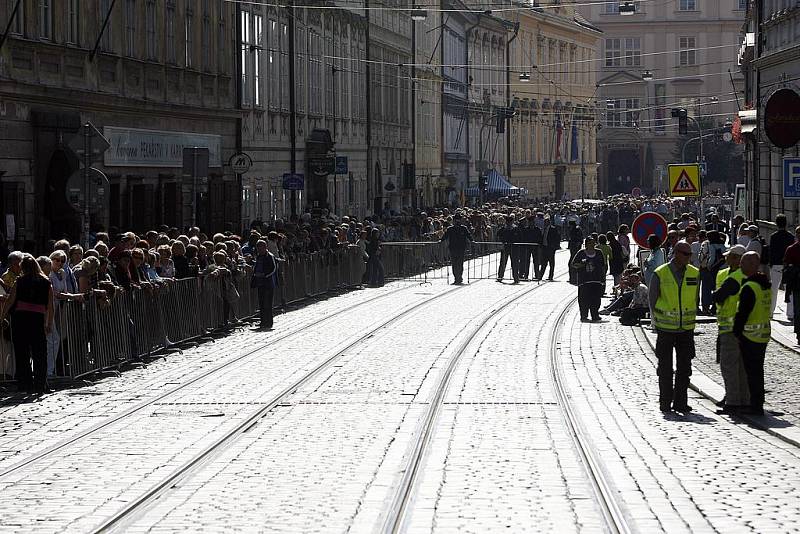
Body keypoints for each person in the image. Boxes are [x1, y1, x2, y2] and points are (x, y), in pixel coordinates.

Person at [648, 240, 699, 413]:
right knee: (665, 369)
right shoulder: (660, 273)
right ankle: (665, 402)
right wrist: (655, 322)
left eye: (690, 254)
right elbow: (652, 299)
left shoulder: (694, 273)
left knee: (685, 368)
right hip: (665, 329)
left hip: (686, 329)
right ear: (676, 253)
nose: (689, 257)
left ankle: (680, 402)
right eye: (686, 254)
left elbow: (695, 298)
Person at [1, 254, 54, 394]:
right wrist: (48, 323)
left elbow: (10, 301)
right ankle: (40, 384)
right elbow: (50, 305)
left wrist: (1, 317)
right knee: (39, 353)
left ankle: (25, 384)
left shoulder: (20, 281)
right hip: (38, 319)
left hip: (21, 319)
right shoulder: (46, 282)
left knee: (22, 353)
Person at [712, 244, 749, 414]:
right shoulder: (743, 275)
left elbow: (719, 296)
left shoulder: (736, 277)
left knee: (729, 365)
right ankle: (741, 399)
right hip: (741, 328)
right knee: (740, 366)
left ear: (736, 258)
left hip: (731, 328)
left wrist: (715, 295)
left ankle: (733, 402)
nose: (725, 258)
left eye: (729, 256)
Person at [733, 251, 772, 416]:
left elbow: (743, 313)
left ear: (751, 265)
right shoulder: (765, 284)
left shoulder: (750, 287)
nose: (740, 266)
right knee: (758, 371)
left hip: (750, 336)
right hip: (763, 334)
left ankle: (755, 405)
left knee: (752, 373)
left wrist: (737, 331)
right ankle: (758, 402)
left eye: (743, 263)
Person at [572, 236, 607, 322]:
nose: (592, 245)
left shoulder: (599, 252)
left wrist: (603, 277)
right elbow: (573, 264)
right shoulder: (581, 253)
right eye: (590, 243)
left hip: (596, 280)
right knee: (584, 299)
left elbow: (603, 265)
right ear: (586, 244)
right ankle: (584, 316)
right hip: (584, 280)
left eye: (593, 243)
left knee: (596, 299)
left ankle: (595, 315)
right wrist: (582, 264)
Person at [768, 214, 794, 316]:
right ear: (786, 223)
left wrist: (771, 264)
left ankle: (771, 312)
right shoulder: (791, 236)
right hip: (788, 265)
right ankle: (790, 313)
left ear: (776, 224)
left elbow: (772, 252)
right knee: (789, 289)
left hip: (776, 265)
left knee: (773, 290)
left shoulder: (773, 236)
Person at [251, 240, 278, 331]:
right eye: (258, 248)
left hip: (268, 283)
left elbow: (273, 268)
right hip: (260, 283)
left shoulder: (270, 256)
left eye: (261, 247)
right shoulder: (259, 257)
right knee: (262, 303)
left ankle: (269, 322)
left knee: (268, 303)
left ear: (265, 247)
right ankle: (263, 321)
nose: (260, 249)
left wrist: (264, 275)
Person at [440, 213, 473, 285]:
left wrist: (472, 241)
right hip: (452, 248)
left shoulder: (463, 228)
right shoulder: (450, 229)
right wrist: (441, 240)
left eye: (458, 220)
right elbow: (445, 236)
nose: (457, 222)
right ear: (454, 221)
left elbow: (468, 235)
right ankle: (456, 278)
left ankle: (459, 277)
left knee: (460, 263)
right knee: (454, 264)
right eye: (456, 220)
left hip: (461, 248)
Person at [497, 215, 518, 283]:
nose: (508, 223)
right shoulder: (503, 229)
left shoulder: (515, 229)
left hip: (513, 247)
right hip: (505, 247)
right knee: (503, 262)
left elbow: (519, 237)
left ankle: (515, 277)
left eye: (509, 222)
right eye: (507, 222)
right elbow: (498, 235)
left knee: (514, 263)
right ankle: (500, 276)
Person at [538, 217, 560, 281]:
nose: (545, 223)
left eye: (546, 222)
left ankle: (550, 276)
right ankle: (540, 276)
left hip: (550, 248)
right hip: (544, 247)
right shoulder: (543, 229)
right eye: (544, 222)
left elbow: (557, 238)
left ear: (549, 222)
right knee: (543, 263)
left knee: (551, 263)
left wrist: (555, 247)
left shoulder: (553, 229)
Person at [567, 220, 584, 285]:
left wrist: (578, 243)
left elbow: (580, 239)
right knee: (572, 263)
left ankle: (574, 278)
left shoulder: (577, 230)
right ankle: (572, 278)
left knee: (573, 263)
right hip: (573, 248)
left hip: (576, 249)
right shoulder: (573, 230)